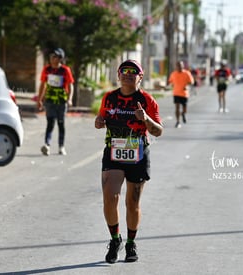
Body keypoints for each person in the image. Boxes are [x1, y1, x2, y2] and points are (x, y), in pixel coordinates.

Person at [94, 60, 163, 264]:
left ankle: (131, 242)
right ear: (118, 75)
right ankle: (115, 240)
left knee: (132, 203)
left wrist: (145, 119)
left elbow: (159, 131)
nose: (128, 74)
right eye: (124, 71)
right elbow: (101, 118)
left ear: (140, 77)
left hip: (138, 154)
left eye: (134, 72)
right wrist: (99, 122)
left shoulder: (147, 100)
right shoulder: (109, 97)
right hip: (114, 153)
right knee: (110, 197)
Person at [37, 48, 74, 156]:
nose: (53, 58)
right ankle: (47, 145)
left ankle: (61, 146)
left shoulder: (65, 70)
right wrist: (40, 99)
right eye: (52, 56)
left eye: (55, 56)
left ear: (60, 59)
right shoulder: (46, 70)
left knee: (61, 124)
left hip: (61, 101)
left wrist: (70, 98)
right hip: (50, 101)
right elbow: (43, 85)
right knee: (50, 123)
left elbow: (70, 85)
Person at [168, 61, 194, 128]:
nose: (179, 67)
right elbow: (170, 82)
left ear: (183, 66)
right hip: (176, 93)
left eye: (180, 65)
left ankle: (183, 114)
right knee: (177, 107)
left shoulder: (187, 73)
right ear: (176, 67)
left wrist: (187, 86)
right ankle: (178, 121)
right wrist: (168, 86)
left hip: (184, 94)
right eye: (178, 65)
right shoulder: (173, 74)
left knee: (185, 109)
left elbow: (191, 82)